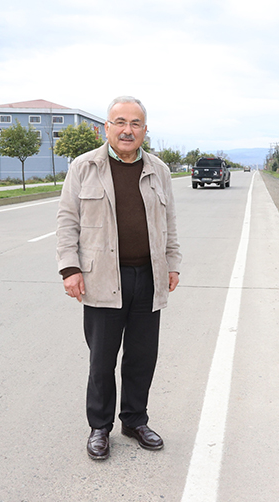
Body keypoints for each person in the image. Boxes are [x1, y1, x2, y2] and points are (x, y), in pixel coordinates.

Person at [56, 96, 182, 460]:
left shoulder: (159, 170)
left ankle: (134, 420)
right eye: (120, 122)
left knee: (143, 356)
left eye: (136, 123)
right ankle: (100, 427)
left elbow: (169, 223)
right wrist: (70, 268)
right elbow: (67, 221)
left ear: (145, 130)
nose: (128, 130)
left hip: (149, 277)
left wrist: (172, 263)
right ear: (106, 128)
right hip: (101, 279)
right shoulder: (84, 167)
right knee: (102, 358)